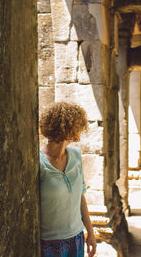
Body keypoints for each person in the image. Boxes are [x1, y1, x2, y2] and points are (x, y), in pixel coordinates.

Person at [39, 102, 97, 257]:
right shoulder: (38, 162)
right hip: (49, 243)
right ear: (68, 129)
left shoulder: (76, 155)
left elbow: (80, 196)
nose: (80, 130)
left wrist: (90, 232)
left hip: (76, 237)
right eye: (77, 126)